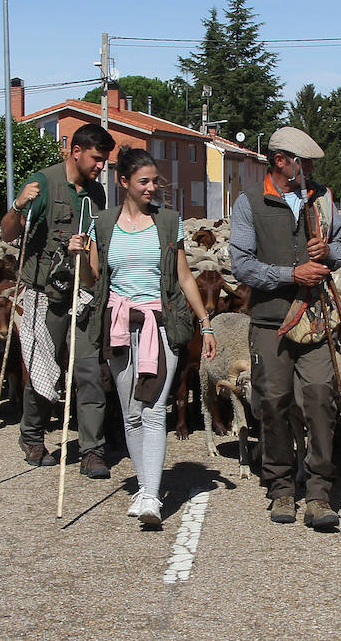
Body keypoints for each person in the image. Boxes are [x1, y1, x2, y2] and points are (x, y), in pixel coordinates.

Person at [80, 148, 217, 526]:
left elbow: (185, 277)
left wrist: (205, 323)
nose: (152, 188)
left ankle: (153, 497)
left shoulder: (168, 222)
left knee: (155, 409)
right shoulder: (103, 224)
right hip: (120, 324)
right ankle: (144, 487)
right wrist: (79, 253)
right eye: (144, 181)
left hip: (161, 322)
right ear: (124, 182)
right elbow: (93, 278)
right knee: (131, 413)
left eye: (155, 181)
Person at [228, 126, 341, 530]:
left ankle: (318, 493)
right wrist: (290, 273)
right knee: (274, 402)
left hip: (315, 319)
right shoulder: (250, 203)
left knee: (319, 397)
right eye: (304, 161)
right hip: (270, 319)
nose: (310, 169)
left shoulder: (323, 199)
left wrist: (329, 251)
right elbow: (241, 264)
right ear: (281, 160)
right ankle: (280, 487)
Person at [0, 124, 113, 476]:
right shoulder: (44, 184)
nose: (100, 167)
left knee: (89, 371)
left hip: (81, 291)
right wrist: (18, 206)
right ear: (75, 151)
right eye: (96, 158)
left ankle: (93, 450)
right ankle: (32, 435)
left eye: (105, 160)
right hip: (44, 294)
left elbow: (95, 243)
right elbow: (8, 233)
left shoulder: (96, 195)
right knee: (44, 370)